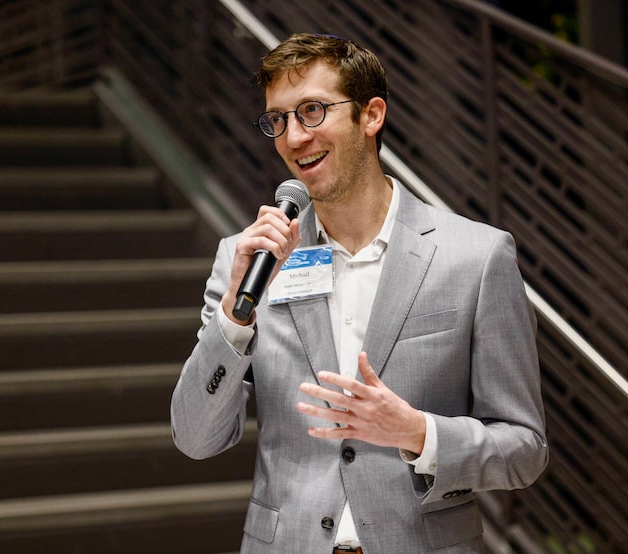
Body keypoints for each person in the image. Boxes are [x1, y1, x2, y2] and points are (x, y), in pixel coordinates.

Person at [171, 33, 547, 553]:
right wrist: (234, 319)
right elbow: (194, 436)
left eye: (312, 111)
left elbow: (525, 450)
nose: (293, 137)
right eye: (278, 119)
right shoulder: (248, 262)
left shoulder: (476, 257)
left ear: (371, 115)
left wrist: (419, 433)